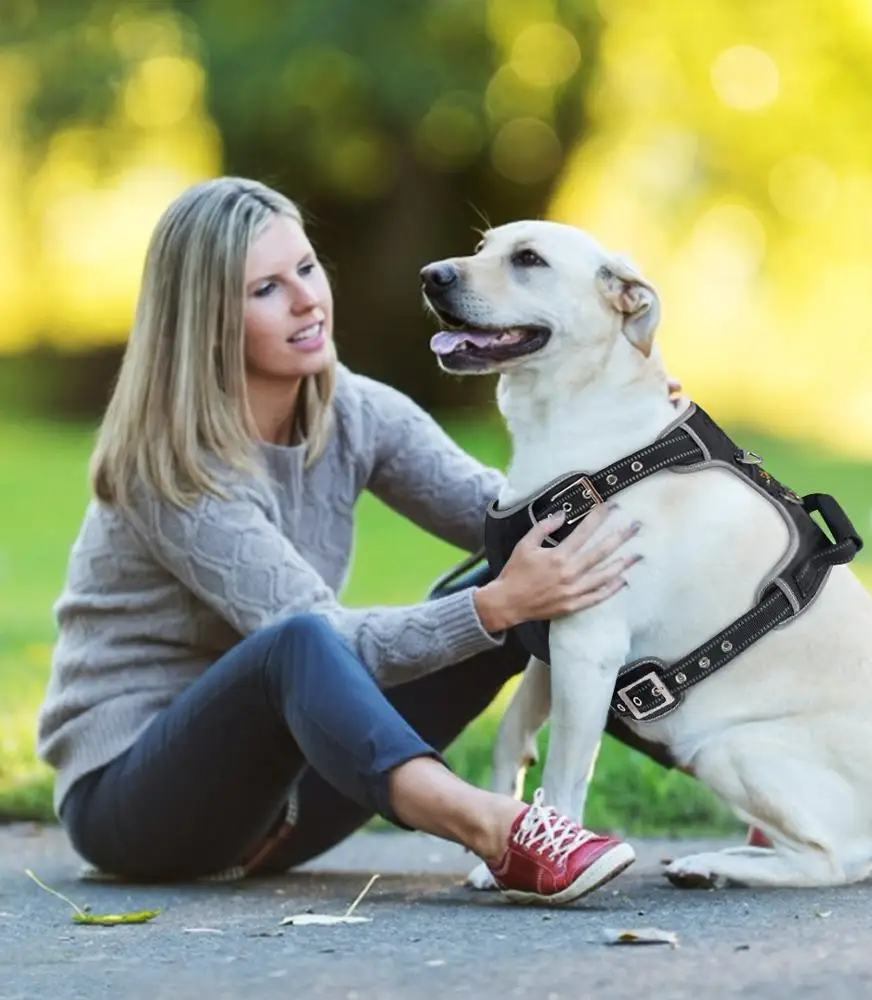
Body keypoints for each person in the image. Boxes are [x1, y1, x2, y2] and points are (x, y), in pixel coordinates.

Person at [35, 176, 661, 906]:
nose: (307, 300)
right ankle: (504, 832)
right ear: (207, 321)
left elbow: (518, 518)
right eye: (266, 289)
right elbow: (326, 643)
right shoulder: (171, 471)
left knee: (566, 560)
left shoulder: (357, 411)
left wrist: (649, 452)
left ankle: (743, 766)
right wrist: (496, 607)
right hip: (140, 808)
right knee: (305, 640)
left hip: (297, 799)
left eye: (306, 268)